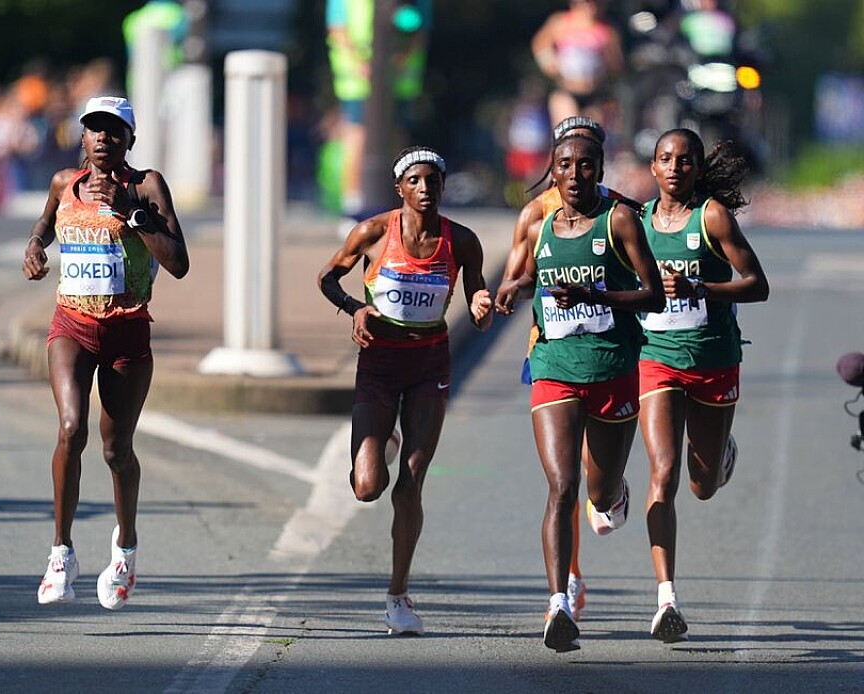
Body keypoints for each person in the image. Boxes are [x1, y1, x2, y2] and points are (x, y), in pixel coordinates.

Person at [498, 132, 664, 651]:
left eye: (586, 165)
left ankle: (614, 491)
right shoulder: (539, 224)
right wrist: (509, 290)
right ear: (553, 171)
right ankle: (559, 605)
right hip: (554, 366)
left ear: (600, 170)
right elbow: (529, 277)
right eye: (566, 165)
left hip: (612, 369)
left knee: (599, 494)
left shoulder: (620, 221)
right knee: (562, 486)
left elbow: (654, 295)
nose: (575, 174)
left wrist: (596, 295)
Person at [317, 145, 493, 634]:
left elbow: (479, 299)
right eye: (414, 180)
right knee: (367, 486)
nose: (424, 188)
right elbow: (327, 278)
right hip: (379, 365)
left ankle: (398, 595)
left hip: (429, 364)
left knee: (412, 481)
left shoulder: (462, 241)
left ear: (443, 186)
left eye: (432, 180)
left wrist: (482, 306)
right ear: (399, 188)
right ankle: (384, 440)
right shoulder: (373, 233)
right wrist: (355, 308)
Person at [23, 95, 190, 610]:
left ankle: (125, 550)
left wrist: (132, 214)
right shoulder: (63, 183)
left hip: (127, 332)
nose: (103, 139)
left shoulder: (147, 186)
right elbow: (44, 225)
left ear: (130, 140)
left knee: (116, 451)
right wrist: (35, 247)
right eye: (94, 129)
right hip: (71, 324)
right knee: (71, 428)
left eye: (114, 131)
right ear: (82, 136)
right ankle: (61, 553)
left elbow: (179, 262)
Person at [636, 128, 768, 642]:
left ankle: (720, 452)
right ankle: (666, 597)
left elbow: (757, 284)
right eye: (666, 159)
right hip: (656, 359)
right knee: (663, 472)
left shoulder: (712, 216)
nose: (675, 168)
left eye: (685, 160)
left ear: (696, 168)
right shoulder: (637, 223)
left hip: (713, 357)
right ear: (653, 167)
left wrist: (701, 288)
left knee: (702, 484)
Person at [325, 0, 433, 216]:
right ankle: (354, 206)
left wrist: (399, 59)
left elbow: (419, 29)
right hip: (358, 84)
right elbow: (337, 30)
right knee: (358, 137)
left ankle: (398, 201)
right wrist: (362, 65)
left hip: (398, 85)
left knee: (397, 138)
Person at [531, 0, 625, 130]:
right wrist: (549, 64)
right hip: (567, 91)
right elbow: (540, 44)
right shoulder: (561, 22)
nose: (590, 7)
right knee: (569, 132)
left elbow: (617, 65)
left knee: (591, 135)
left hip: (595, 94)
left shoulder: (607, 29)